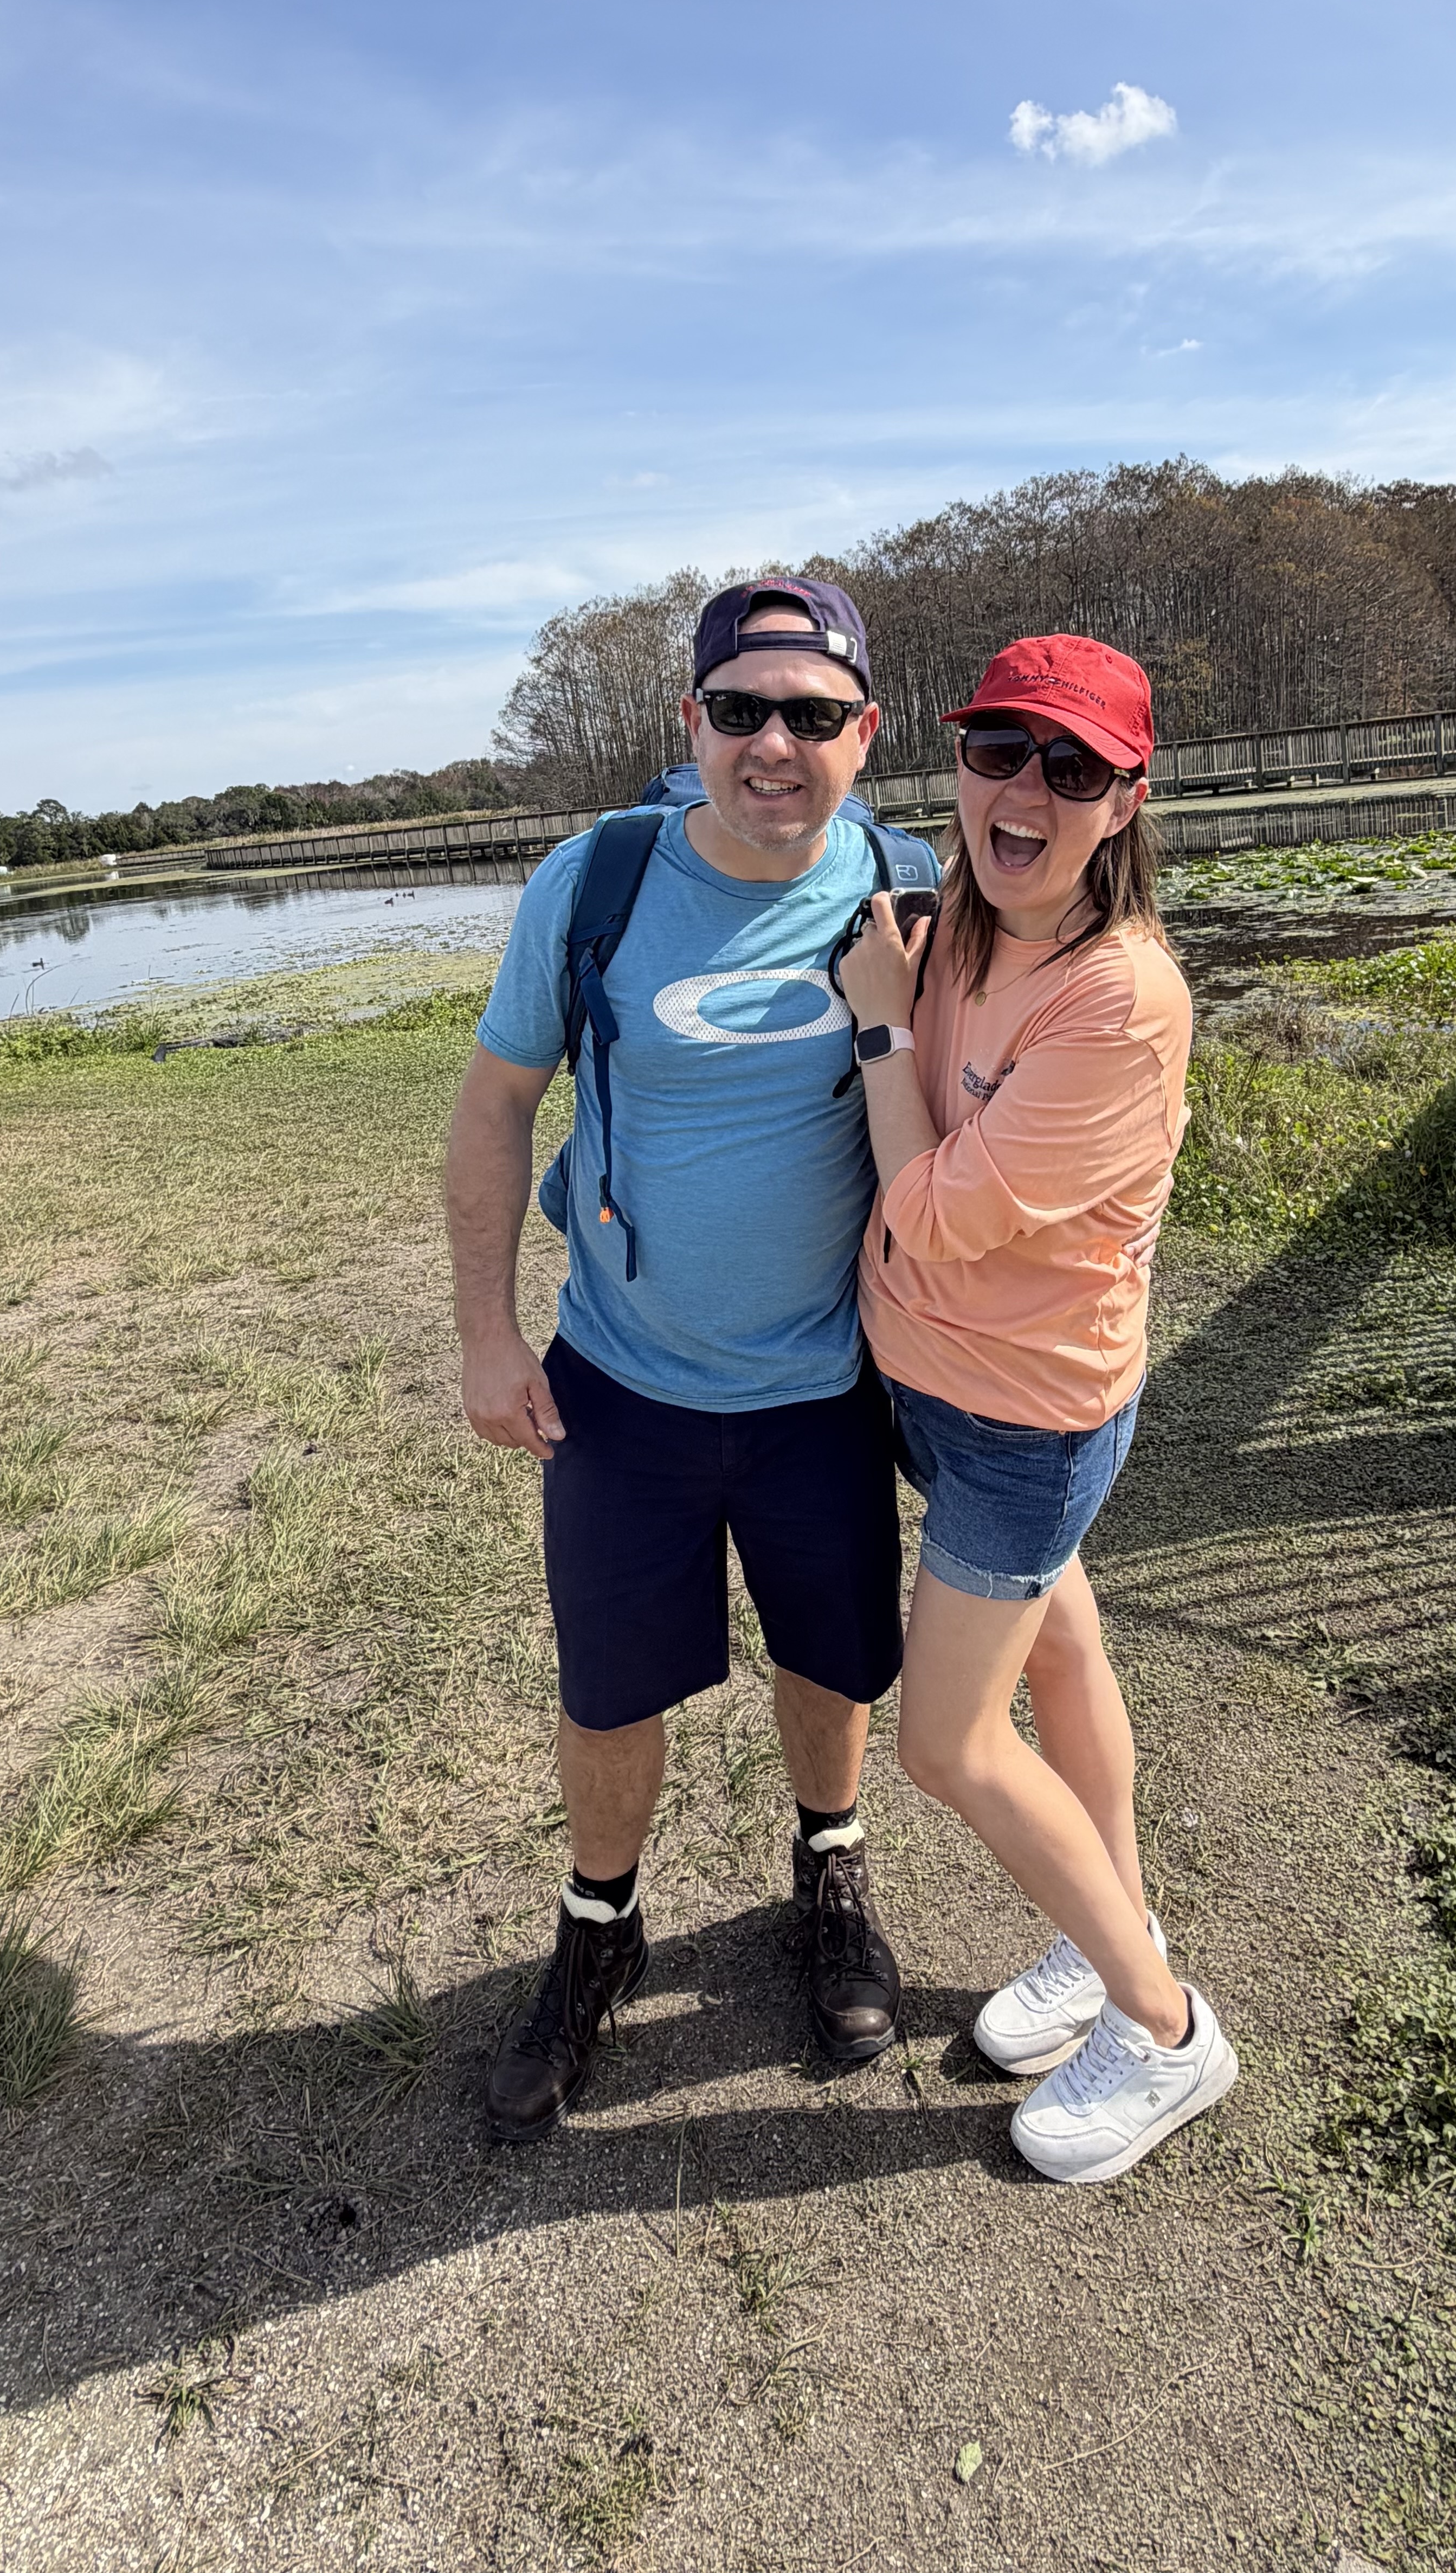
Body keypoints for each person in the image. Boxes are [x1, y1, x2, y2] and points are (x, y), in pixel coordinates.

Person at [445, 580, 910, 2144]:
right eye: (740, 710)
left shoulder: (911, 890)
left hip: (832, 1387)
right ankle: (600, 1927)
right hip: (623, 1384)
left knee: (830, 1656)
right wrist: (488, 1330)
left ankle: (828, 1865)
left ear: (868, 734)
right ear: (690, 725)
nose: (774, 744)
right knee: (611, 1686)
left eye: (813, 714)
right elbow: (498, 1102)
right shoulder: (598, 884)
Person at [837, 633, 1237, 2185]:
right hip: (936, 1391)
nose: (1027, 791)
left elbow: (932, 1213)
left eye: (1072, 769)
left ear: (1127, 802)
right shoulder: (953, 930)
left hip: (1026, 1419)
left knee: (946, 1742)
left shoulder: (1120, 1004)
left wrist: (879, 1023)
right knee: (1063, 1650)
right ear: (959, 764)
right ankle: (1104, 1929)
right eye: (1002, 750)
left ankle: (1165, 2024)